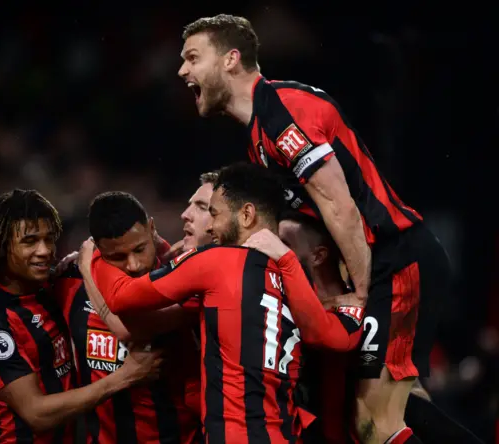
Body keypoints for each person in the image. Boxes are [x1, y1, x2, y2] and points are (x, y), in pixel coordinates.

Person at [177, 14, 451, 443]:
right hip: (384, 263)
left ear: (231, 59)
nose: (183, 71)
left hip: (395, 261)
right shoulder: (258, 137)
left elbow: (338, 205)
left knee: (372, 424)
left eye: (193, 57)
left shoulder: (279, 111)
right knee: (398, 411)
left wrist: (360, 293)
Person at [80, 163, 363, 443]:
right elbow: (335, 337)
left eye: (212, 212)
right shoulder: (290, 275)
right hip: (287, 433)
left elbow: (121, 299)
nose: (210, 224)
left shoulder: (215, 262)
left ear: (246, 214)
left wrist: (92, 254)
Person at [0, 189, 161, 444]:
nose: (45, 251)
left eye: (49, 239)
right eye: (30, 241)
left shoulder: (54, 289)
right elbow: (36, 413)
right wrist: (125, 376)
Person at [278, 212, 484, 444]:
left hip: (345, 430)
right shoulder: (295, 298)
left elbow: (334, 336)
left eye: (285, 244)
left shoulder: (365, 304)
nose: (277, 249)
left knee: (398, 411)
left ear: (318, 255)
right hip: (321, 430)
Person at [54, 191, 202, 444]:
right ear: (101, 249)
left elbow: (128, 329)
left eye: (140, 249)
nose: (133, 265)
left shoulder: (181, 278)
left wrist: (87, 265)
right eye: (118, 257)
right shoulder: (67, 286)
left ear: (151, 229)